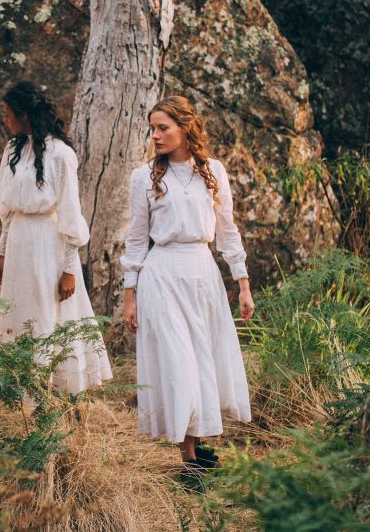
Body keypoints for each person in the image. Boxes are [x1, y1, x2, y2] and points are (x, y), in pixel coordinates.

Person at [120, 95, 254, 475]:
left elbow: (227, 231)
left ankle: (200, 445)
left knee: (203, 359)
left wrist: (242, 284)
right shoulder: (143, 177)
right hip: (161, 274)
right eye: (153, 129)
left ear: (185, 128)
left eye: (163, 128)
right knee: (178, 362)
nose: (156, 136)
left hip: (202, 272)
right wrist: (130, 296)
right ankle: (190, 460)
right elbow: (136, 239)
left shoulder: (212, 171)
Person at [0, 81, 113, 393]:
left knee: (49, 313)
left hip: (47, 243)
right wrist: (2, 251)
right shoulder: (13, 150)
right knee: (19, 312)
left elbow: (70, 214)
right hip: (19, 238)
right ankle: (24, 388)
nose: (6, 121)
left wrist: (69, 269)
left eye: (9, 115)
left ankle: (55, 389)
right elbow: (6, 208)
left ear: (25, 114)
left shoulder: (61, 154)